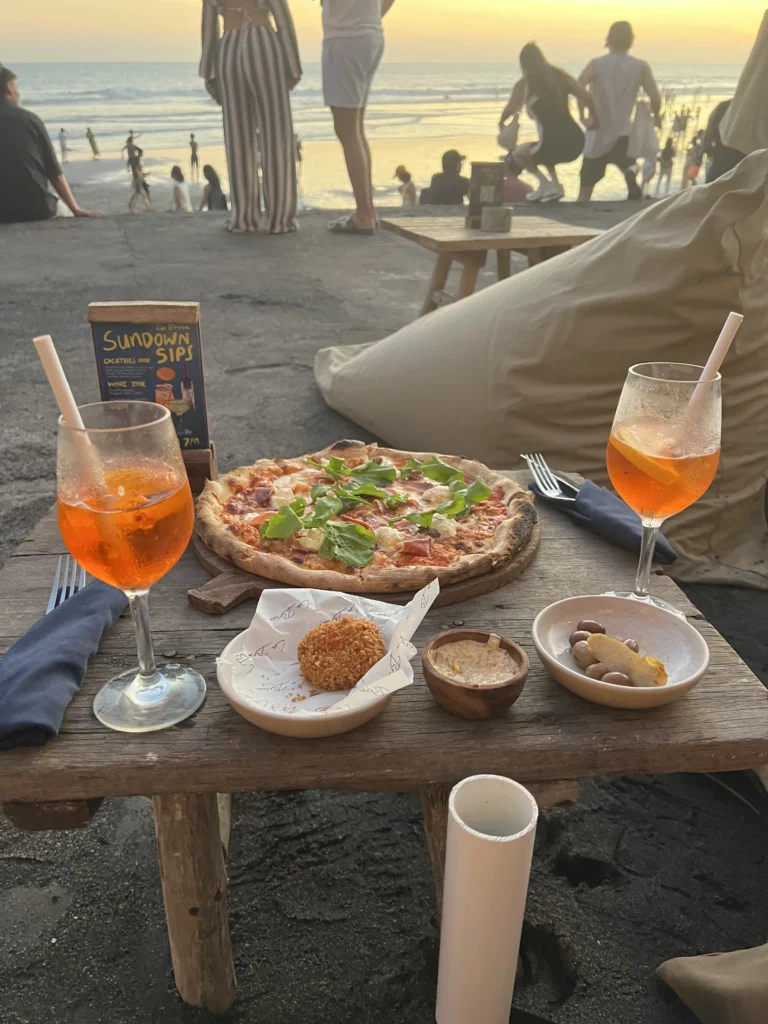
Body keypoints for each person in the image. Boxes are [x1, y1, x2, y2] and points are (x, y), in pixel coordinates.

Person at [200, 0, 302, 234]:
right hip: (263, 44)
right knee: (276, 133)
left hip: (229, 46)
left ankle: (244, 217)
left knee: (238, 137)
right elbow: (282, 17)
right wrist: (292, 66)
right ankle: (280, 219)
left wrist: (209, 73)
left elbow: (209, 24)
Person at [321, 0, 398, 235]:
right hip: (370, 36)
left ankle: (364, 215)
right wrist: (370, 17)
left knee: (347, 131)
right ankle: (367, 211)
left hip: (345, 37)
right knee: (356, 130)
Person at [0, 66, 101, 223]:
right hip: (37, 209)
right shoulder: (29, 120)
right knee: (63, 210)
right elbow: (54, 172)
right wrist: (75, 208)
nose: (18, 93)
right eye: (16, 87)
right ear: (8, 89)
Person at [499, 42, 598, 202]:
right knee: (542, 148)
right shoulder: (559, 76)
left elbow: (509, 109)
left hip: (553, 145)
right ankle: (555, 187)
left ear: (523, 64)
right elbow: (587, 98)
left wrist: (501, 124)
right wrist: (594, 121)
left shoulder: (525, 84)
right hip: (576, 142)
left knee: (519, 154)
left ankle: (545, 184)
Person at [577, 21, 661, 201]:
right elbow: (655, 97)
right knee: (629, 164)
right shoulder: (640, 66)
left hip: (597, 132)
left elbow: (578, 87)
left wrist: (583, 116)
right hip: (623, 132)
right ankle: (630, 172)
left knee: (586, 187)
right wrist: (656, 117)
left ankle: (582, 207)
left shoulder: (597, 64)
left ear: (609, 39)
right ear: (631, 40)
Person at [701, 100, 744, 183]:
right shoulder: (755, 109)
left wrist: (719, 154)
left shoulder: (723, 107)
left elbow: (706, 144)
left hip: (718, 173)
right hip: (744, 177)